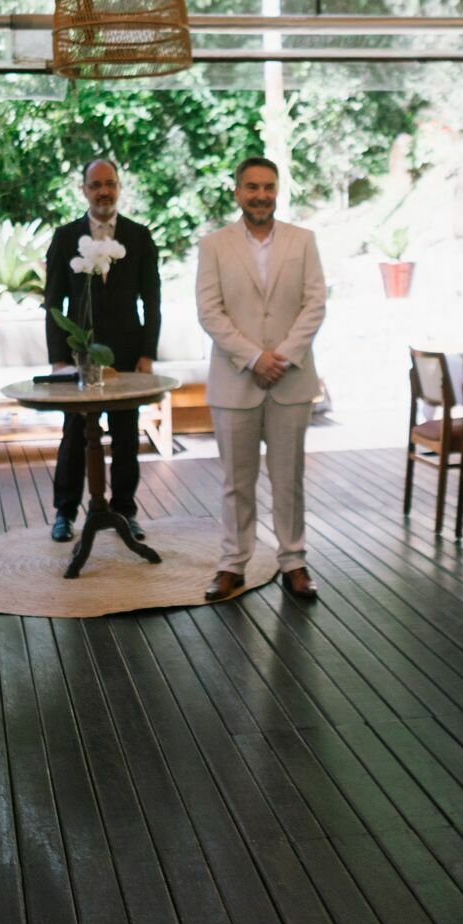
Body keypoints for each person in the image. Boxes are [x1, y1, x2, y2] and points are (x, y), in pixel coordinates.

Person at [196, 156, 326, 602]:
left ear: (277, 191)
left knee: (289, 478)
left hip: (291, 381)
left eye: (268, 187)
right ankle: (233, 564)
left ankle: (294, 562)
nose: (261, 195)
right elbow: (209, 312)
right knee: (237, 481)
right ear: (237, 192)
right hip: (235, 381)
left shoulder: (303, 241)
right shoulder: (213, 245)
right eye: (252, 187)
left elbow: (315, 305)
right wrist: (254, 358)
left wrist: (283, 358)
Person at [43, 159, 162, 542]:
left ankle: (125, 510)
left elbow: (152, 302)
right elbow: (53, 304)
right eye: (96, 185)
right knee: (74, 434)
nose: (103, 191)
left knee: (127, 435)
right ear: (84, 190)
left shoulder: (139, 236)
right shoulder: (65, 238)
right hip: (80, 356)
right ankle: (65, 513)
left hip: (127, 356)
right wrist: (59, 359)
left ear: (119, 187)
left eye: (110, 184)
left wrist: (147, 354)